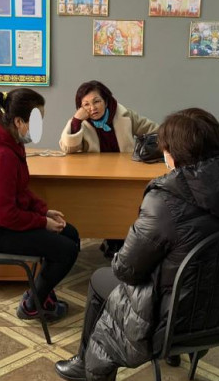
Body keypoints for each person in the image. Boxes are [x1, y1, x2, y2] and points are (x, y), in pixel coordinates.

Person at [54, 108, 219, 381]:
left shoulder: (165, 200)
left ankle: (87, 365)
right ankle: (183, 352)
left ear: (174, 154)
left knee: (99, 279)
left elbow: (126, 270)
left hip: (175, 321)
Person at [0, 88, 80, 322]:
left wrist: (43, 211)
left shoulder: (10, 142)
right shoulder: (0, 156)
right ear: (19, 121)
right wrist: (42, 223)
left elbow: (19, 190)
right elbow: (6, 215)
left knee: (71, 234)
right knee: (66, 250)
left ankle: (41, 292)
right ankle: (32, 304)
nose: (39, 127)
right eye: (37, 121)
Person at [59, 81, 159, 258]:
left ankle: (121, 241)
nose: (92, 108)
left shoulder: (125, 115)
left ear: (106, 100)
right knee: (99, 206)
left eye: (96, 101)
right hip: (96, 176)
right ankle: (111, 239)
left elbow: (155, 130)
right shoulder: (80, 122)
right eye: (86, 104)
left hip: (125, 173)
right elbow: (68, 148)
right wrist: (76, 121)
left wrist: (149, 148)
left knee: (126, 204)